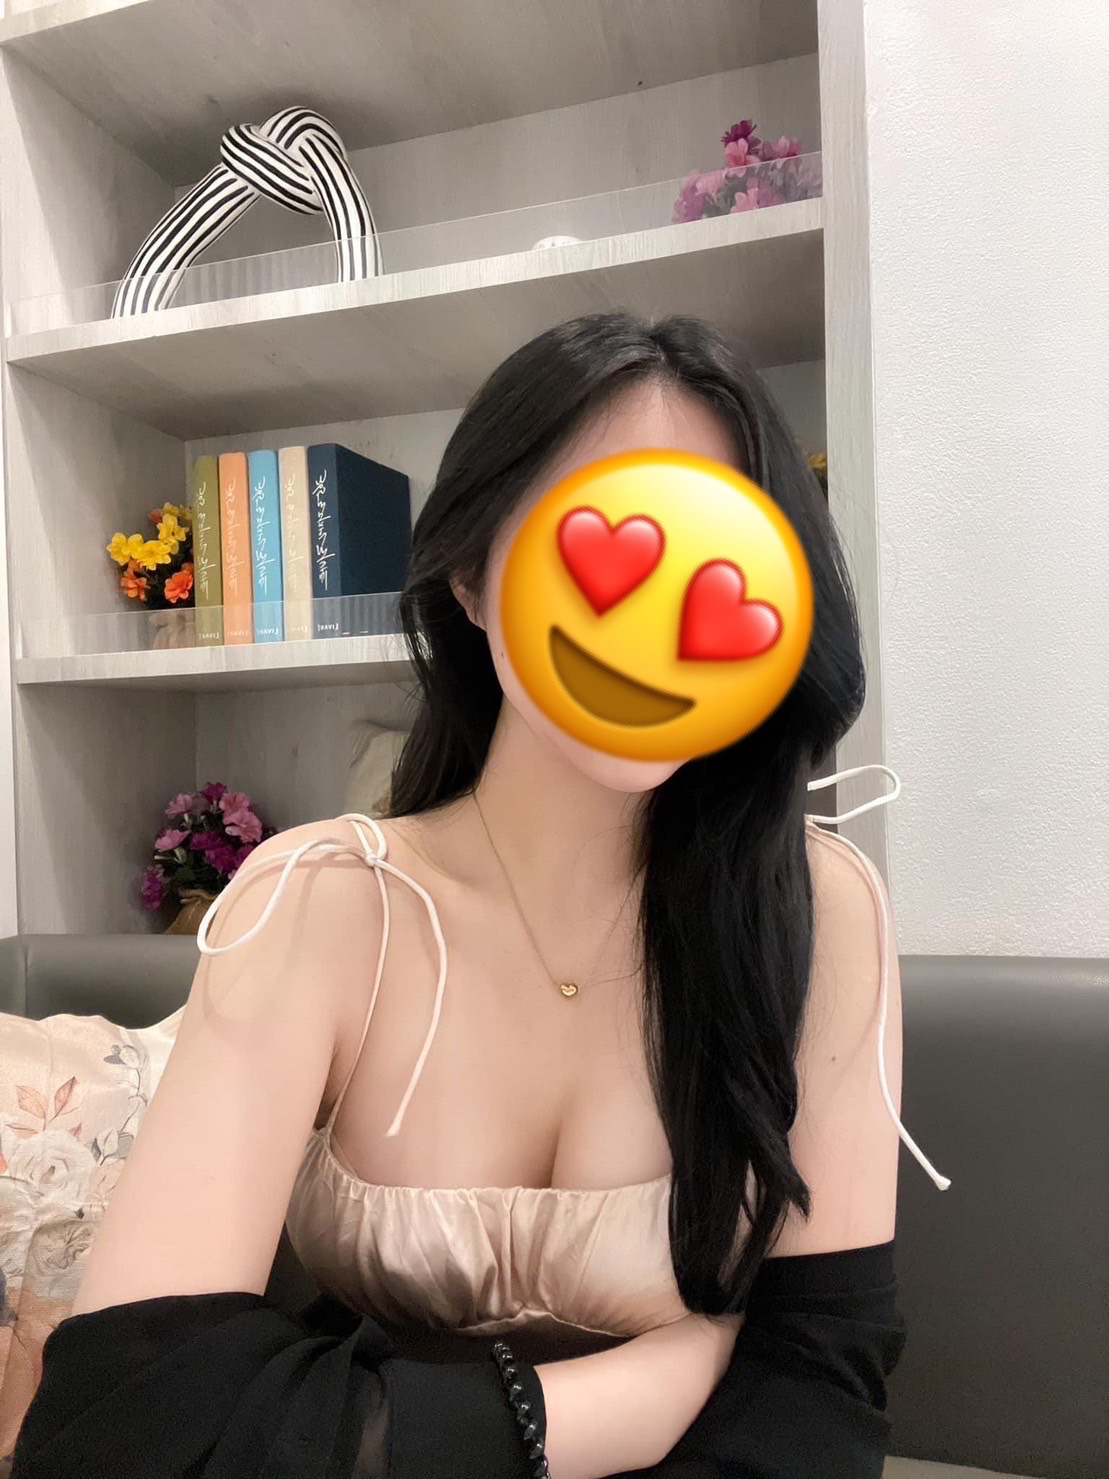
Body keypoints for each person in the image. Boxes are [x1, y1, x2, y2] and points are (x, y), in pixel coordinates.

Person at [12, 311, 943, 1478]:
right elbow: (117, 1419)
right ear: (469, 572)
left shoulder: (819, 910)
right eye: (609, 533)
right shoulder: (324, 903)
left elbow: (816, 1395)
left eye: (720, 551)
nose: (658, 617)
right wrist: (607, 1403)